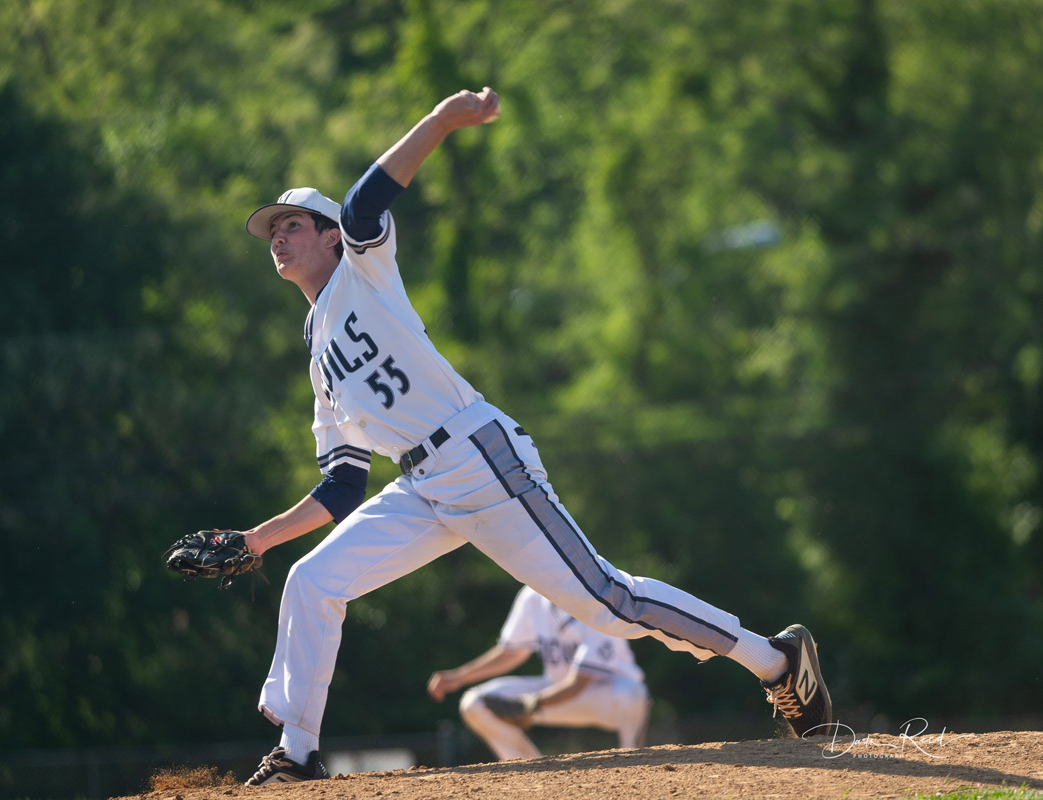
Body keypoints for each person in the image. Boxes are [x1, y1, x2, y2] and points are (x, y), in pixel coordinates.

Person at [234, 86, 831, 786]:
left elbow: (367, 203)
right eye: (272, 230)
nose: (278, 234)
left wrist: (443, 121)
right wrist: (254, 542)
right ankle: (297, 756)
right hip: (420, 485)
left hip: (478, 457)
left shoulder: (363, 272)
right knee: (312, 580)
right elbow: (343, 481)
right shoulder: (317, 351)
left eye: (294, 223)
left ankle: (776, 660)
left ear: (331, 235)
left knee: (612, 603)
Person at [428, 585, 652, 760]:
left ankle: (635, 761)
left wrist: (532, 703)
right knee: (475, 703)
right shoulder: (532, 595)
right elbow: (512, 653)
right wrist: (457, 677)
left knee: (633, 693)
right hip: (553, 693)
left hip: (605, 697)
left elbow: (580, 682)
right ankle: (533, 771)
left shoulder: (598, 597)